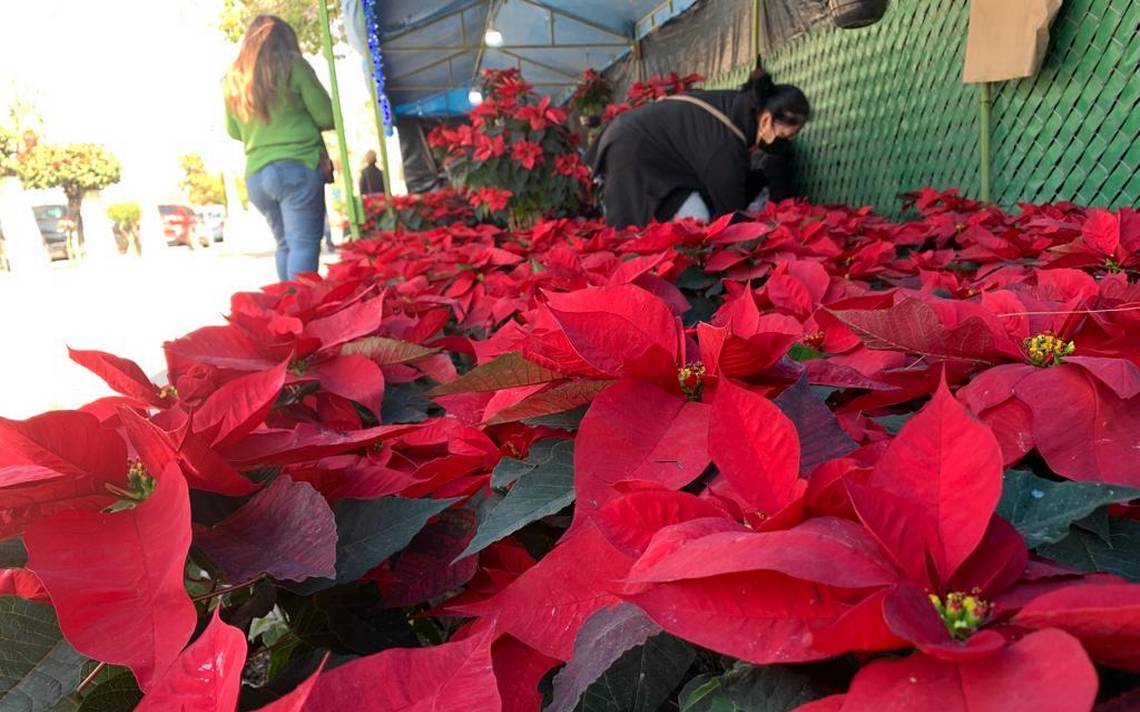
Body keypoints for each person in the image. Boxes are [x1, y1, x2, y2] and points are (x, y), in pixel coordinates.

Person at [586, 70, 811, 228]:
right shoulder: (726, 144)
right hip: (633, 151)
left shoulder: (737, 107)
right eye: (783, 136)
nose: (783, 143)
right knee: (632, 233)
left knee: (694, 217)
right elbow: (730, 218)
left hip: (659, 159)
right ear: (765, 122)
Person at [224, 15, 334, 281]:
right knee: (304, 245)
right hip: (298, 167)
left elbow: (233, 131)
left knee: (285, 245)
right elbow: (327, 117)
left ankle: (286, 313)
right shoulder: (293, 66)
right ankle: (301, 312)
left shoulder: (234, 78)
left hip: (257, 175)